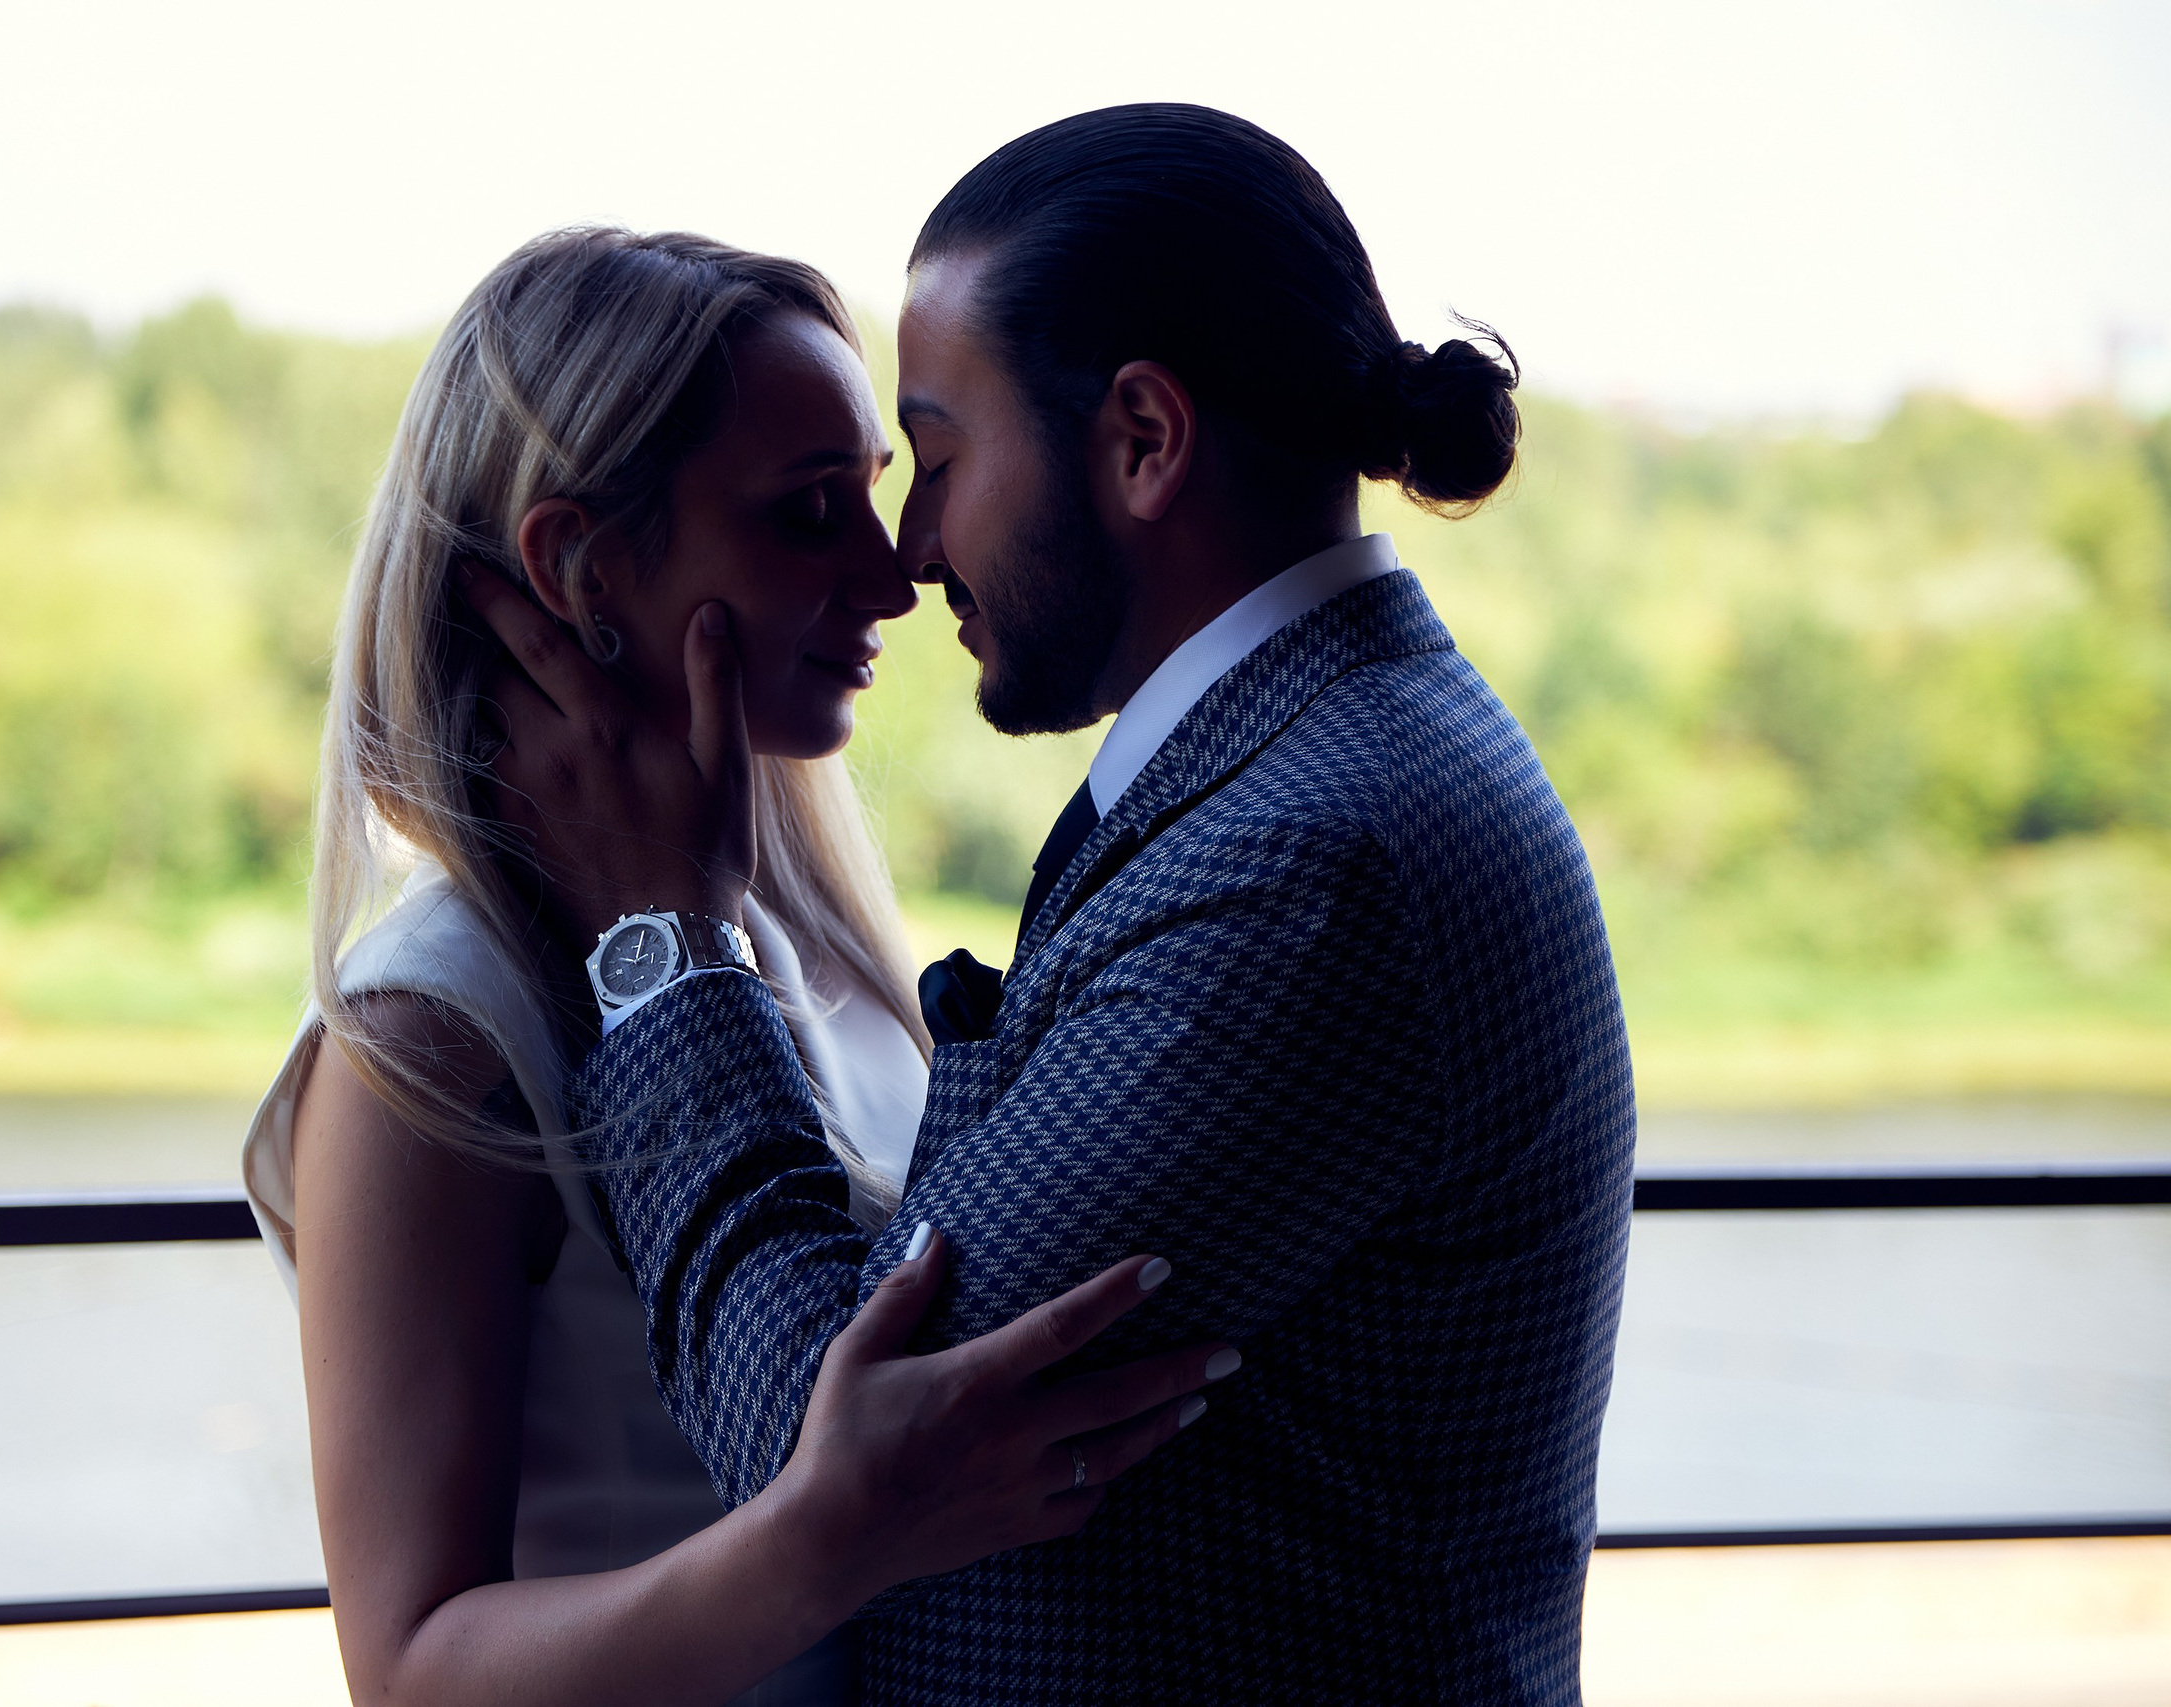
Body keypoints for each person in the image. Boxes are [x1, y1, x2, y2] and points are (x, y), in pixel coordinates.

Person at [466, 106, 1638, 1704]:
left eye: (936, 461)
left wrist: (662, 941)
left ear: (1144, 441)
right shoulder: (1318, 766)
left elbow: (818, 1443)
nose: (914, 551)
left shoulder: (1303, 866)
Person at [242, 228, 1231, 1707]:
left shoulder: (805, 935)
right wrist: (824, 1541)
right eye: (806, 514)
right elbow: (412, 1671)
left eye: (878, 499)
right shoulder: (436, 1030)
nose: (895, 580)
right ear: (576, 567)